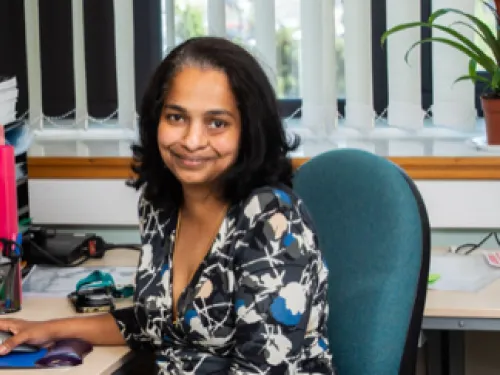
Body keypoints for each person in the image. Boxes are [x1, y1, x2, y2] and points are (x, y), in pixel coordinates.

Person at [0, 36, 334, 374]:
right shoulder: (161, 206)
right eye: (176, 117)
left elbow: (263, 370)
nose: (191, 140)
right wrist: (47, 330)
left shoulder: (272, 221)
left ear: (248, 130)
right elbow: (154, 323)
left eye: (217, 123)